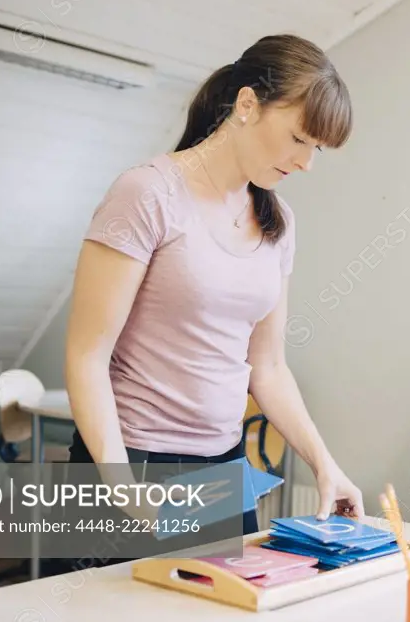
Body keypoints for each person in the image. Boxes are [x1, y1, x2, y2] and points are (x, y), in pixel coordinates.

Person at [63, 33, 364, 537]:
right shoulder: (147, 194)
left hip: (222, 471)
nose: (306, 163)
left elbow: (266, 367)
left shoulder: (278, 222)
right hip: (132, 462)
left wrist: (324, 464)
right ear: (247, 103)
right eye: (298, 139)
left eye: (317, 149)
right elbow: (86, 355)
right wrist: (120, 486)